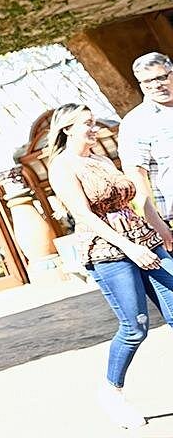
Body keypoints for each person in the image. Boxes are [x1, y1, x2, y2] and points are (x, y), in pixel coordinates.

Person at [46, 102, 173, 429]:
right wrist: (130, 248)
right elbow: (85, 215)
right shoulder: (62, 166)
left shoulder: (100, 158)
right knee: (135, 327)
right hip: (108, 250)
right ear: (67, 129)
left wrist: (159, 228)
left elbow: (134, 199)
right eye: (86, 123)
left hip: (144, 239)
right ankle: (111, 392)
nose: (93, 128)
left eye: (93, 122)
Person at [118, 52, 173, 223]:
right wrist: (154, 222)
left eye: (161, 77)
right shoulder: (135, 122)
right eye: (148, 81)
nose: (156, 85)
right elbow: (136, 174)